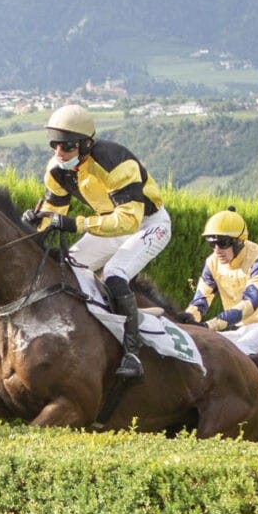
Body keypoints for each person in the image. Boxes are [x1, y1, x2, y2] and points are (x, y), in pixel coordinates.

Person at [19, 103, 172, 379]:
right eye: (54, 145)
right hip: (111, 223)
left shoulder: (115, 162)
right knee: (68, 266)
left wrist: (76, 223)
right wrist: (32, 224)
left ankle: (132, 352)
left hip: (147, 224)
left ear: (87, 143)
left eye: (67, 147)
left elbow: (129, 221)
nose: (59, 153)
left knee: (114, 274)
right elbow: (54, 212)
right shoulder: (57, 170)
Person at [180, 209, 258, 355]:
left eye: (222, 243)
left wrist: (209, 325)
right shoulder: (212, 262)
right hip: (244, 329)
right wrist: (188, 320)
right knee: (204, 347)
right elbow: (201, 300)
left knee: (237, 354)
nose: (217, 250)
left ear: (239, 241)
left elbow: (249, 303)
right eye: (211, 243)